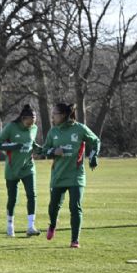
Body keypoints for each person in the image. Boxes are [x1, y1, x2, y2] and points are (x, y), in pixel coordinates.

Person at [42, 102, 101, 248]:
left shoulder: (79, 129)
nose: (52, 117)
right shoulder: (53, 132)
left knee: (75, 207)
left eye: (54, 114)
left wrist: (93, 156)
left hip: (76, 176)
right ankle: (53, 224)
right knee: (53, 207)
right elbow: (44, 150)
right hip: (58, 176)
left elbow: (95, 141)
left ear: (63, 115)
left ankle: (75, 240)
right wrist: (53, 151)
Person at [0, 104, 42, 237]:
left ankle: (31, 226)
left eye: (34, 121)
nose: (32, 124)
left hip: (28, 167)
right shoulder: (11, 127)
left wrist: (41, 149)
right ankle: (10, 225)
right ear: (23, 118)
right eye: (30, 121)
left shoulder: (34, 128)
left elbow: (31, 144)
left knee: (32, 195)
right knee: (12, 199)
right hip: (12, 169)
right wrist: (13, 146)